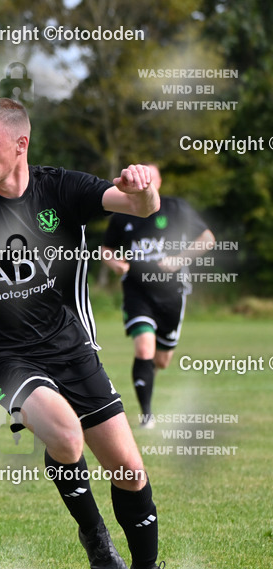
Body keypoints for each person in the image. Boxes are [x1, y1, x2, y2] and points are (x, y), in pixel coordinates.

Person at [0, 98, 174, 569]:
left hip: (72, 348)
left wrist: (145, 188)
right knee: (67, 439)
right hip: (4, 357)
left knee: (130, 472)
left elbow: (138, 206)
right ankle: (93, 530)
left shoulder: (64, 188)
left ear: (20, 144)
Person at [101, 166, 215, 428]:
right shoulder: (122, 213)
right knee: (143, 348)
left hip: (172, 293)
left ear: (159, 181)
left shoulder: (176, 208)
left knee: (161, 360)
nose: (144, 182)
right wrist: (116, 263)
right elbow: (106, 249)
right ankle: (147, 416)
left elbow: (207, 238)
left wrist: (178, 259)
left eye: (149, 177)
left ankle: (148, 374)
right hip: (137, 290)